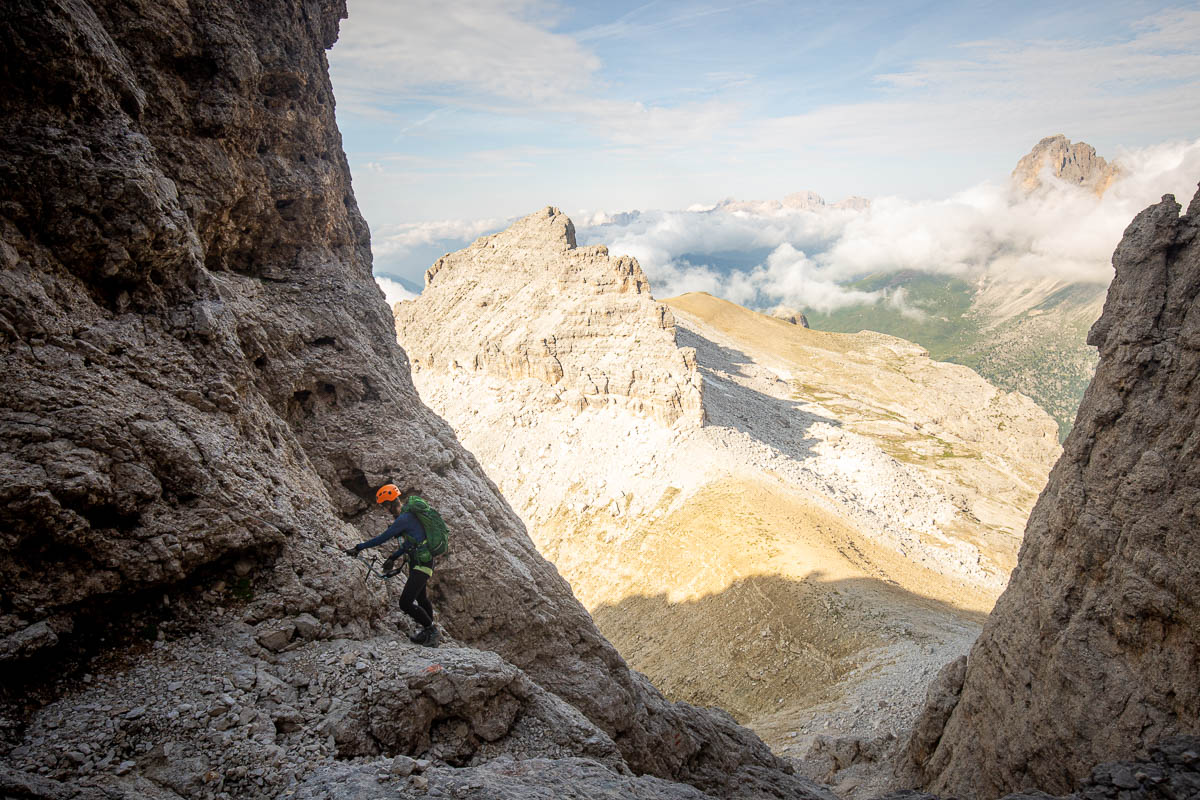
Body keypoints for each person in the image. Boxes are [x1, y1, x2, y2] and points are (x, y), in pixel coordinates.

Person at [346, 484, 440, 647]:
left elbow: (382, 538)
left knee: (405, 603)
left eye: (385, 505)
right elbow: (410, 544)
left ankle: (431, 630)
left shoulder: (404, 519)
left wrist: (358, 547)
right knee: (421, 597)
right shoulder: (408, 516)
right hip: (422, 561)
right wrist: (393, 557)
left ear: (390, 503)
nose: (385, 509)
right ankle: (428, 631)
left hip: (421, 563)